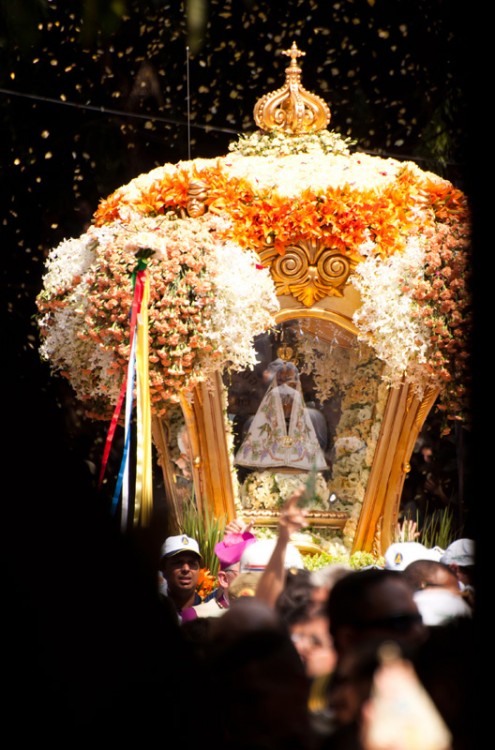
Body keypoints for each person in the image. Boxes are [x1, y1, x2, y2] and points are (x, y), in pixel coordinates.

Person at [181, 524, 257, 620]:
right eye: (246, 572)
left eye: (257, 571)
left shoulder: (267, 615)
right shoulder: (196, 616)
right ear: (224, 579)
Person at [159, 534, 203, 620]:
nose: (186, 569)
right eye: (178, 562)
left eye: (192, 563)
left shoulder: (210, 613)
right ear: (163, 569)